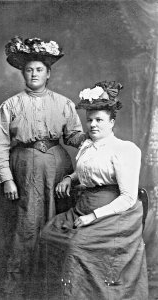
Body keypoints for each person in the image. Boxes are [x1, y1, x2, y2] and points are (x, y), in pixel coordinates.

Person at [0, 36, 85, 299]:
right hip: (23, 169)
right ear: (23, 73)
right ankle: (21, 290)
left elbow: (73, 136)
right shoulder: (10, 105)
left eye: (39, 70)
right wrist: (6, 179)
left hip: (57, 168)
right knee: (26, 224)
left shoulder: (64, 103)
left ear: (48, 73)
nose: (34, 74)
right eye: (29, 69)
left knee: (56, 222)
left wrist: (93, 138)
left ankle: (52, 288)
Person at [39, 81, 148, 300]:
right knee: (48, 233)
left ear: (112, 122)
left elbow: (128, 197)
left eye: (99, 120)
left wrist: (93, 217)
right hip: (84, 205)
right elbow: (87, 170)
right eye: (89, 120)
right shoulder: (87, 145)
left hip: (114, 212)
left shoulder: (124, 150)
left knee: (75, 246)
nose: (93, 125)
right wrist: (70, 178)